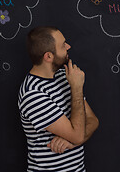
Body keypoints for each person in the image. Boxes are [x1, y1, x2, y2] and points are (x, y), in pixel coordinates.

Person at [18, 26, 99, 171]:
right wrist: (77, 88)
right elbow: (78, 136)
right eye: (63, 45)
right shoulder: (32, 94)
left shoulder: (64, 76)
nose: (68, 46)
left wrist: (72, 142)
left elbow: (93, 121)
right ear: (48, 56)